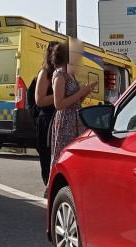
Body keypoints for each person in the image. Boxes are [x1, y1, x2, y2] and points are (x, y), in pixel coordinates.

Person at [49, 40, 94, 174]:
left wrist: (85, 93)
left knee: (75, 155)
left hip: (76, 120)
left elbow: (76, 101)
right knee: (63, 155)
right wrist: (80, 92)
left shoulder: (71, 74)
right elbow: (59, 104)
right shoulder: (60, 74)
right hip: (65, 122)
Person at [33, 41, 60, 185]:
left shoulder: (62, 72)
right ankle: (48, 184)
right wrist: (58, 94)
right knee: (46, 155)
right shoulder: (45, 73)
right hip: (47, 119)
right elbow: (40, 100)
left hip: (59, 118)